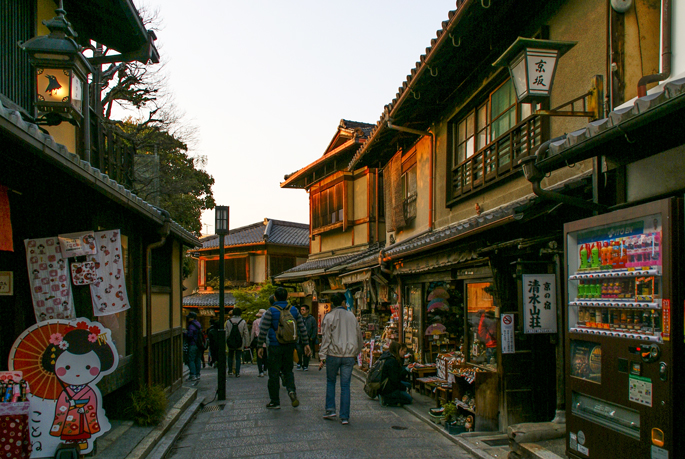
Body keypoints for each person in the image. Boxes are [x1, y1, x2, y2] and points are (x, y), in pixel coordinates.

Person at [257, 287, 311, 409]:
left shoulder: (270, 311)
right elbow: (302, 327)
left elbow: (263, 329)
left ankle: (275, 401)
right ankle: (291, 391)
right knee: (288, 371)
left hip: (275, 346)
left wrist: (260, 345)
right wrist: (306, 343)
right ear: (287, 297)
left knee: (274, 374)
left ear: (274, 298)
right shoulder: (294, 310)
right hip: (290, 346)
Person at [318, 292, 363, 425]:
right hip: (349, 355)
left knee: (331, 382)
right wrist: (357, 351)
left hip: (333, 354)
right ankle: (344, 416)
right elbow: (359, 336)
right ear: (343, 302)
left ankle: (330, 409)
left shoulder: (329, 316)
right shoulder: (352, 316)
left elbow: (326, 338)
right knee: (345, 385)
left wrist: (322, 356)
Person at [378, 341, 412, 406]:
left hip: (387, 386)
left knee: (406, 387)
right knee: (408, 399)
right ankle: (388, 400)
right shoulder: (392, 361)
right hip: (389, 389)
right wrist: (403, 387)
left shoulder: (389, 357)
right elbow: (395, 379)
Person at [225, 307, 251, 377]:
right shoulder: (243, 322)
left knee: (230, 356)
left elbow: (226, 333)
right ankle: (237, 372)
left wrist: (225, 340)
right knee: (238, 357)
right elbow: (246, 333)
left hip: (230, 341)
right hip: (239, 341)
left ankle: (230, 370)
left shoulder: (228, 321)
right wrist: (247, 343)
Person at [297, 304, 318, 371]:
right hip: (300, 338)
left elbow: (314, 328)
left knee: (307, 353)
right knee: (299, 351)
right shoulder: (299, 318)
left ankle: (305, 365)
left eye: (303, 309)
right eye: (301, 310)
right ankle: (299, 363)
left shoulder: (311, 319)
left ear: (307, 310)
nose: (302, 311)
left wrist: (312, 337)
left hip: (309, 338)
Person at [184, 311, 203, 381]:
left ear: (192, 318)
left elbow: (190, 335)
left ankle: (192, 374)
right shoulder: (199, 324)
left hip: (193, 344)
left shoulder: (191, 326)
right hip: (199, 344)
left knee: (191, 359)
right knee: (198, 359)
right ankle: (197, 374)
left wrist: (185, 334)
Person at [252, 308, 267, 377]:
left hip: (258, 339)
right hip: (266, 339)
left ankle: (260, 371)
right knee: (266, 356)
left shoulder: (255, 322)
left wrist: (251, 341)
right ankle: (265, 369)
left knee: (259, 356)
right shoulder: (267, 320)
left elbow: (253, 332)